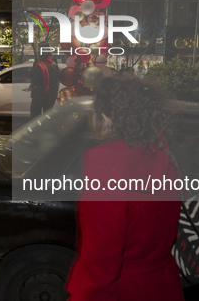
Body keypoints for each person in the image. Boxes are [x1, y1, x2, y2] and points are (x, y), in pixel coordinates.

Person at [66, 76, 183, 301]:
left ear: (109, 118)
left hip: (121, 289)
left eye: (95, 110)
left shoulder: (106, 164)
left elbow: (101, 256)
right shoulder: (160, 155)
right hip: (162, 284)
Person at [29, 52, 60, 118]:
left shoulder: (40, 66)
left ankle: (38, 127)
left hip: (40, 93)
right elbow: (57, 80)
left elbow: (35, 80)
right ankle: (47, 127)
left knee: (35, 113)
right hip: (52, 93)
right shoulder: (55, 66)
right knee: (48, 113)